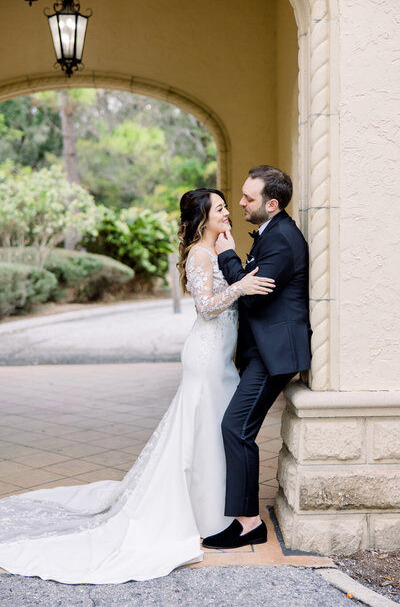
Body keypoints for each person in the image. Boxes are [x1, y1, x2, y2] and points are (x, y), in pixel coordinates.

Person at [0, 188, 275, 584]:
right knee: (205, 430)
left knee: (214, 433)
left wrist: (236, 267)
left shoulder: (218, 248)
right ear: (203, 217)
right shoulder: (199, 253)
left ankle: (217, 511)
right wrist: (241, 287)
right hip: (205, 354)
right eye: (219, 209)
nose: (228, 212)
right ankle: (207, 516)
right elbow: (206, 306)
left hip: (220, 357)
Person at [203, 166, 312, 550]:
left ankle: (249, 523)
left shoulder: (282, 238)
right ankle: (246, 518)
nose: (240, 203)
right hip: (262, 350)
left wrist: (227, 254)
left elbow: (250, 293)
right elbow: (251, 280)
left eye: (248, 198)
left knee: (235, 428)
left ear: (272, 203)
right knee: (238, 429)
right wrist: (241, 266)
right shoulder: (272, 232)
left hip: (274, 353)